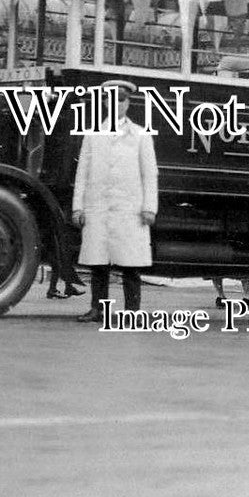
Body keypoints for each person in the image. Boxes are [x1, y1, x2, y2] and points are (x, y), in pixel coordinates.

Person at [72, 80, 158, 323]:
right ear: (105, 102)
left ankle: (133, 312)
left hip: (129, 209)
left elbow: (149, 174)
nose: (117, 104)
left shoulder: (141, 135)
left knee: (130, 264)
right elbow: (83, 173)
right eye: (112, 99)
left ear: (128, 103)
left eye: (122, 99)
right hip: (98, 207)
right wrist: (78, 207)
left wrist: (149, 207)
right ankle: (98, 309)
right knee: (99, 263)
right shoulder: (92, 134)